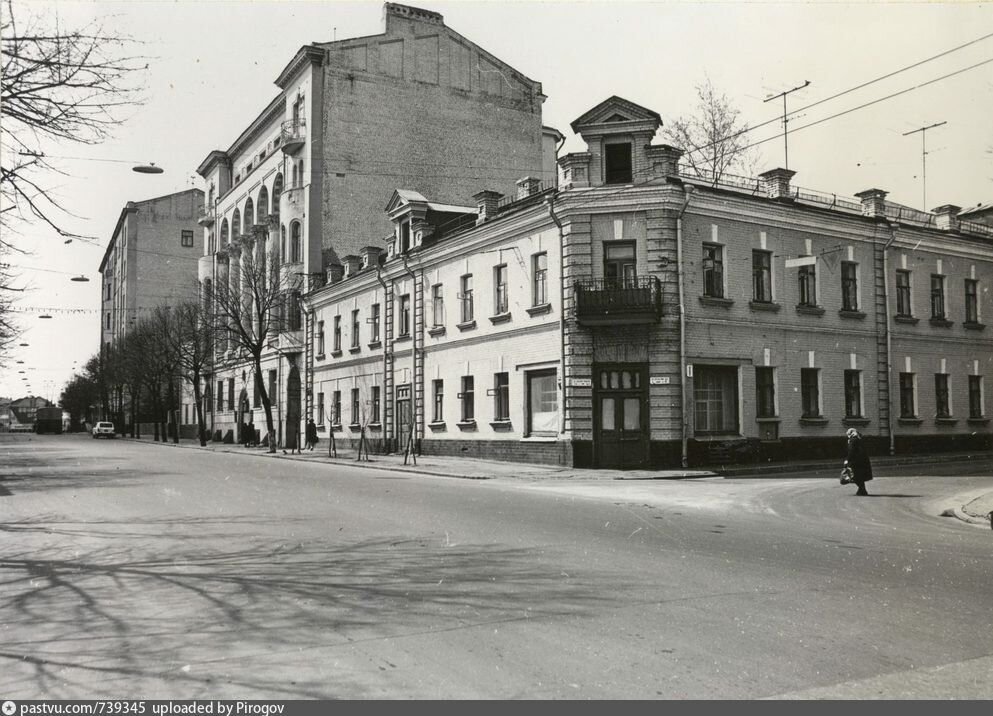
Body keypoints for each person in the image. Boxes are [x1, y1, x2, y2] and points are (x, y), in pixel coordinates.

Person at [844, 427, 873, 496]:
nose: (848, 436)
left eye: (848, 434)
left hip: (855, 462)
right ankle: (862, 490)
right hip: (863, 461)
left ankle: (862, 490)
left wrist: (847, 460)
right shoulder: (860, 439)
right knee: (860, 476)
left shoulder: (853, 440)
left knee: (855, 476)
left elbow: (851, 451)